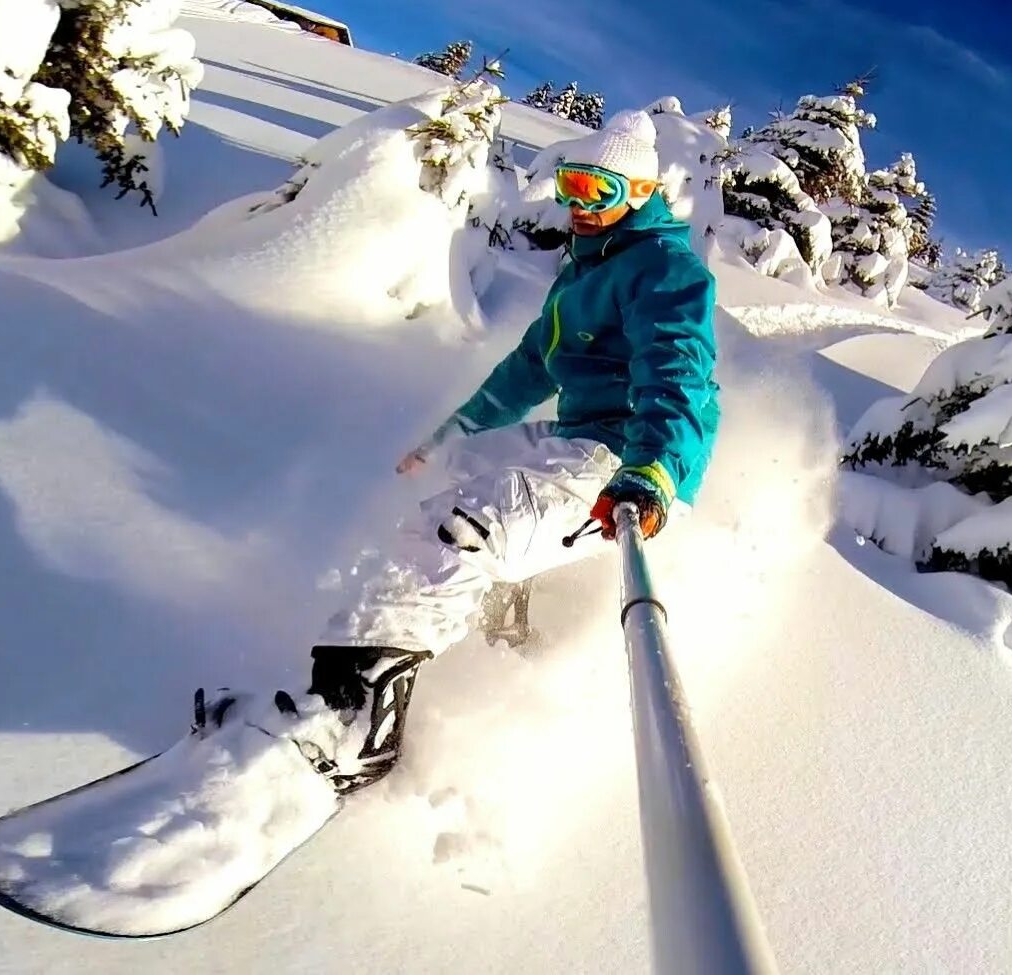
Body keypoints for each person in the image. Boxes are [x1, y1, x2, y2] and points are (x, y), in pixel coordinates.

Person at [191, 109, 721, 796]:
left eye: (601, 192)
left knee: (469, 522)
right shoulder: (587, 269)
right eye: (573, 186)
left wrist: (652, 470)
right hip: (582, 434)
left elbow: (678, 372)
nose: (580, 207)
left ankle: (357, 730)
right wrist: (453, 433)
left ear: (642, 194)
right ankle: (488, 623)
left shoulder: (666, 269)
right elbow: (531, 366)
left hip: (631, 463)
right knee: (459, 473)